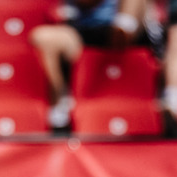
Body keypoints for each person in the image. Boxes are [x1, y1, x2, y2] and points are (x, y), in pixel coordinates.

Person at [29, 0, 158, 126]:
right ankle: (61, 99)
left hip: (118, 30)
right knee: (42, 37)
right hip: (83, 32)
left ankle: (124, 26)